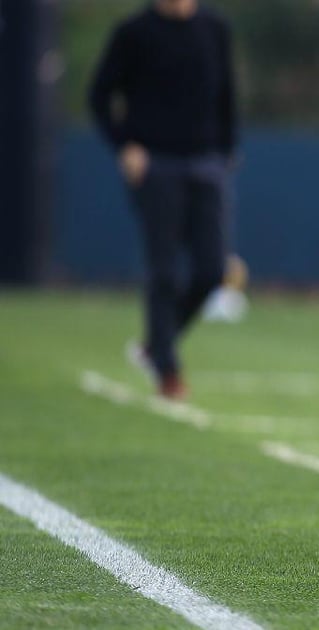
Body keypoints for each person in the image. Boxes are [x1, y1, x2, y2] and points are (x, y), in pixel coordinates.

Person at [89, 0, 237, 400]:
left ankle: (157, 343)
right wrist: (126, 147)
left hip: (206, 163)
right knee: (165, 270)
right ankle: (167, 369)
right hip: (156, 165)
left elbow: (226, 92)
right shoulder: (134, 32)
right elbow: (100, 95)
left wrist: (227, 149)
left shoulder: (214, 29)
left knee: (212, 270)